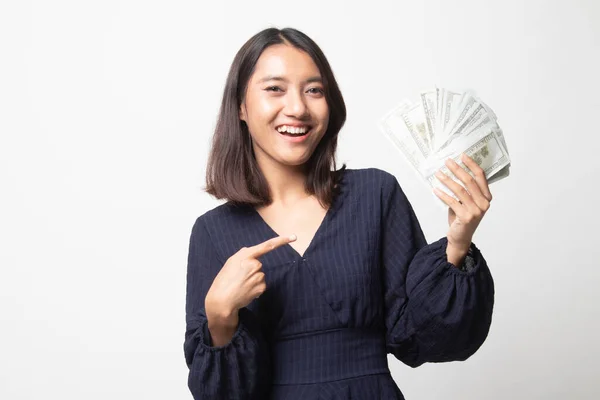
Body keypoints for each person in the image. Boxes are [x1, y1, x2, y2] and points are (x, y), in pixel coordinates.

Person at [183, 27, 495, 400]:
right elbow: (223, 394)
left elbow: (418, 339)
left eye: (313, 90)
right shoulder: (213, 232)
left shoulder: (375, 195)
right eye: (275, 89)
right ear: (241, 107)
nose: (297, 107)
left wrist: (457, 245)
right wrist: (219, 317)